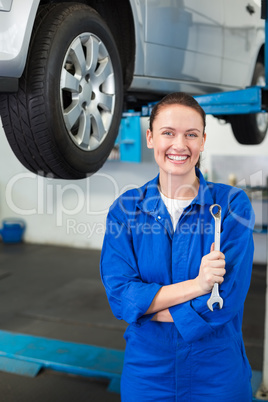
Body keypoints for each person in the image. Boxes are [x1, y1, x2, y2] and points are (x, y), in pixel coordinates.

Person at [100, 92, 255, 401]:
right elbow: (121, 296)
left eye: (191, 135)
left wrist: (147, 307)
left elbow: (224, 301)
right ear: (149, 137)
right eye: (168, 133)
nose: (179, 145)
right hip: (148, 372)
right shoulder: (126, 210)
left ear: (203, 140)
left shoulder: (232, 205)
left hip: (217, 370)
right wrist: (199, 285)